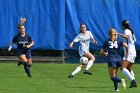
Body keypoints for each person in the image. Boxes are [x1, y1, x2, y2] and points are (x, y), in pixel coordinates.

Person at [118, 20, 137, 88]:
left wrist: (119, 34)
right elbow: (134, 40)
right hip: (133, 51)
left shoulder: (126, 30)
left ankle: (133, 80)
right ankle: (134, 82)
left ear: (123, 25)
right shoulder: (131, 31)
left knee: (122, 67)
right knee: (128, 68)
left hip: (129, 51)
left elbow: (126, 37)